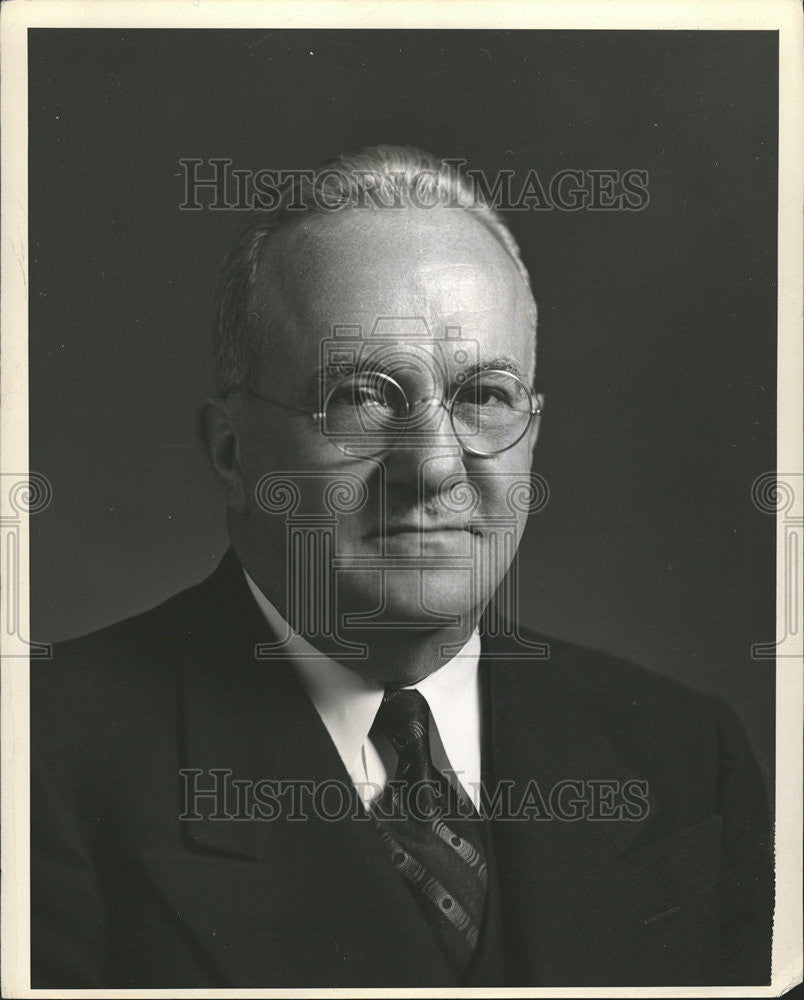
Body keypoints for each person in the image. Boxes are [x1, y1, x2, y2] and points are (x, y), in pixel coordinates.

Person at [30, 145, 773, 988]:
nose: (432, 466)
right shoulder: (40, 762)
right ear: (233, 452)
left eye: (483, 396)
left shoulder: (683, 758)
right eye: (363, 395)